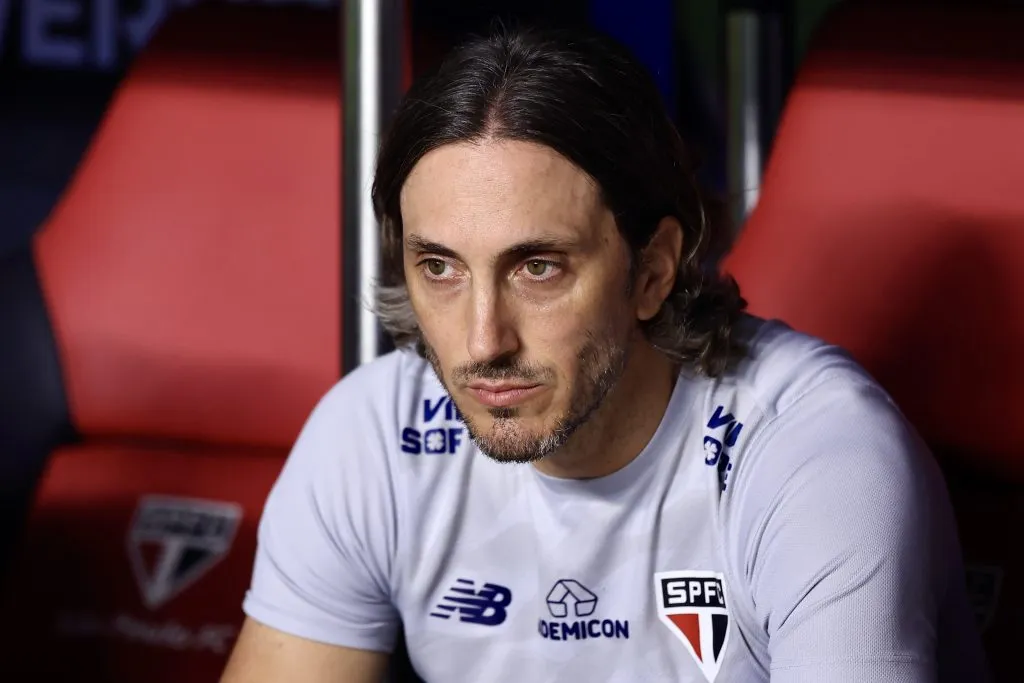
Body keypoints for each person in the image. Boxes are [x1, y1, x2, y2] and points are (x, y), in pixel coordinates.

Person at [220, 25, 988, 683]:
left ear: (652, 270)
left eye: (538, 268)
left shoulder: (817, 456)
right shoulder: (374, 434)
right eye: (441, 268)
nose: (483, 341)